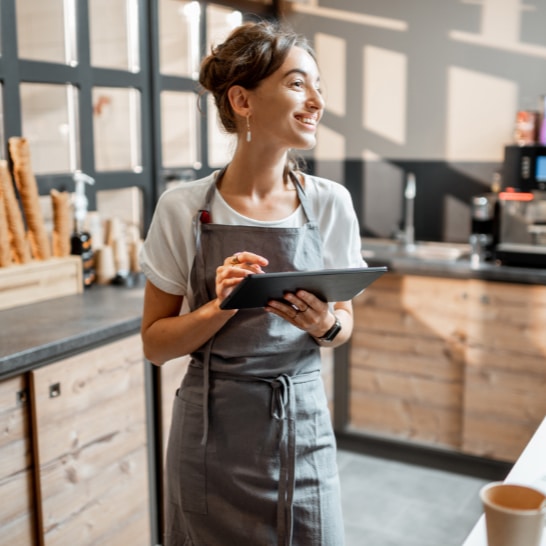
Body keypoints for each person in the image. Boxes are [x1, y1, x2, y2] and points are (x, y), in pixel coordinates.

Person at [140, 19, 366, 546]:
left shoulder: (329, 204)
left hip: (301, 426)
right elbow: (154, 345)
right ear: (242, 100)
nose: (315, 101)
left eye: (317, 87)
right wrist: (219, 306)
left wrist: (327, 324)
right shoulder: (183, 208)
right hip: (208, 435)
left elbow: (344, 328)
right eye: (296, 83)